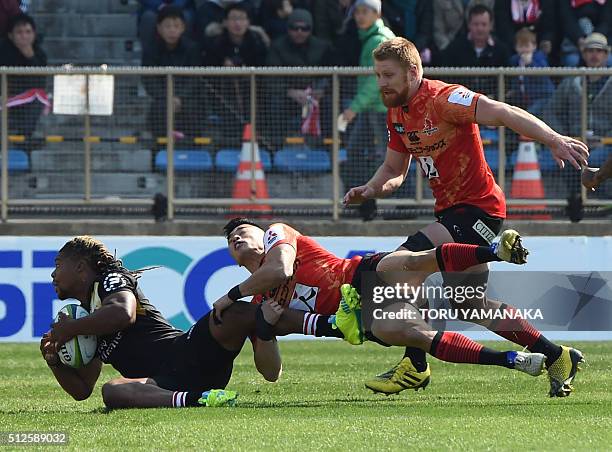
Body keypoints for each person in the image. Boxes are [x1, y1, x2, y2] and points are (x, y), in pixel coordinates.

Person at [343, 37, 588, 397]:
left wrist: (552, 139)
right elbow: (394, 169)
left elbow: (501, 111)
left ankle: (416, 364)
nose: (381, 83)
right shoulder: (397, 113)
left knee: (403, 264)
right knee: (468, 304)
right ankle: (555, 355)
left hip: (479, 210)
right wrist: (372, 188)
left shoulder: (444, 99)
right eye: (378, 75)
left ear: (413, 71)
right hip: (451, 212)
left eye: (388, 75)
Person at [214, 218, 550, 387]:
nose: (237, 238)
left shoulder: (278, 235)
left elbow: (281, 268)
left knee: (408, 262)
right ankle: (513, 361)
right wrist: (265, 328)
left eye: (243, 231)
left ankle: (494, 251)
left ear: (263, 235)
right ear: (232, 257)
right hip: (366, 319)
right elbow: (271, 373)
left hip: (362, 275)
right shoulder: (258, 302)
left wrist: (230, 295)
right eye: (232, 241)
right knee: (416, 334)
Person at [42, 235, 335, 408]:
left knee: (232, 313)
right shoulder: (85, 316)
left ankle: (331, 325)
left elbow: (124, 313)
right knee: (113, 391)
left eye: (57, 266)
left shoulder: (110, 280)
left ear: (81, 268)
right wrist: (55, 361)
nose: (53, 275)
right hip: (162, 384)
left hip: (186, 351)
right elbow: (83, 390)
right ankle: (201, 398)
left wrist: (69, 329)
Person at [340, 0, 395, 221]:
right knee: (356, 153)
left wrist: (354, 108)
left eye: (365, 12)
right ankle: (363, 203)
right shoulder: (373, 38)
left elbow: (376, 81)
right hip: (374, 106)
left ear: (377, 13)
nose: (359, 16)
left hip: (381, 108)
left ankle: (402, 207)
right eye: (357, 12)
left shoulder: (379, 40)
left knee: (391, 158)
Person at [543, 32, 612, 201]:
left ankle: (600, 203)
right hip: (576, 143)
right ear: (583, 53)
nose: (594, 55)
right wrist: (563, 137)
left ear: (606, 54)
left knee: (595, 160)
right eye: (590, 50)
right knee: (569, 159)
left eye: (599, 51)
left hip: (606, 144)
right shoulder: (571, 82)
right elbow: (550, 111)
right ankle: (576, 201)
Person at [264, 8, 334, 145]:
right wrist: (289, 92)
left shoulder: (323, 47)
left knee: (330, 103)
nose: (299, 32)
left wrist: (322, 90)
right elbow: (270, 78)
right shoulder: (277, 47)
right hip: (287, 97)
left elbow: (332, 76)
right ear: (288, 29)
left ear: (311, 29)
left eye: (305, 28)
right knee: (275, 103)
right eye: (294, 28)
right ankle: (277, 146)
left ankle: (327, 146)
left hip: (315, 97)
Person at [202, 3, 268, 146]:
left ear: (248, 22)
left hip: (253, 93)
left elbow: (263, 70)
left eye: (242, 19)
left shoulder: (257, 42)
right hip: (223, 93)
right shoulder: (215, 43)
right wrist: (222, 67)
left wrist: (246, 70)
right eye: (233, 19)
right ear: (225, 22)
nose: (237, 23)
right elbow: (206, 74)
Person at [141, 6, 201, 140]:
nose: (172, 30)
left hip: (186, 98)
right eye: (167, 26)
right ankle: (159, 152)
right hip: (162, 99)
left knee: (194, 110)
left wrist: (179, 97)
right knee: (158, 111)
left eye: (176, 26)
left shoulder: (192, 48)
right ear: (159, 28)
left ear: (183, 28)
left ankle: (192, 150)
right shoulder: (151, 50)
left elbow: (194, 78)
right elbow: (149, 80)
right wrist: (168, 97)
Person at [437, 4, 510, 97]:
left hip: (492, 101)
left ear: (491, 25)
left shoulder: (501, 50)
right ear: (469, 25)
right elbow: (447, 80)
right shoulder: (454, 48)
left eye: (484, 24)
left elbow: (507, 83)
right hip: (461, 101)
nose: (480, 28)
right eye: (476, 24)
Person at [0, 13, 47, 145]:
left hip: (27, 102)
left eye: (28, 32)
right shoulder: (3, 51)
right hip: (5, 100)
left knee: (39, 98)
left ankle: (24, 139)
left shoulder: (40, 54)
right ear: (11, 35)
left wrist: (30, 57)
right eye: (19, 32)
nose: (24, 36)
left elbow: (40, 82)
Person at [507, 27, 554, 117]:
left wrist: (530, 64)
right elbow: (516, 80)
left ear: (534, 46)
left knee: (529, 115)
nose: (524, 49)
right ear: (516, 47)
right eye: (521, 46)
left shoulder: (539, 57)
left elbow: (543, 74)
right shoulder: (515, 60)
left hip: (544, 97)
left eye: (527, 46)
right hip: (525, 99)